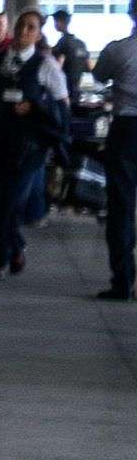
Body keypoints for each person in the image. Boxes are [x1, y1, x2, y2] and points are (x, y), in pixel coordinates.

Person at [0, 20, 70, 279]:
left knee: (11, 203)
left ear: (38, 34)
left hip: (28, 148)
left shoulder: (45, 65)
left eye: (31, 28)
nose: (23, 32)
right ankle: (16, 247)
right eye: (20, 26)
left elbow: (62, 106)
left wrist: (36, 106)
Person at [91, 23, 137, 301]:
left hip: (127, 131)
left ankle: (122, 282)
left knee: (121, 208)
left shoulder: (118, 50)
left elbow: (98, 77)